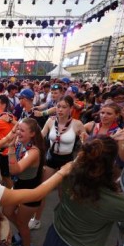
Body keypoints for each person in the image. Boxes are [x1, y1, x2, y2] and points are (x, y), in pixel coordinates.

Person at [29, 96, 86, 230]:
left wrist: (81, 155)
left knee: (63, 194)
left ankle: (64, 221)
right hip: (51, 159)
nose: (60, 109)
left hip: (67, 161)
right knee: (42, 191)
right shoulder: (50, 121)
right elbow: (41, 136)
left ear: (71, 109)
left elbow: (85, 144)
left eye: (64, 107)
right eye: (58, 106)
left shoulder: (77, 124)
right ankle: (36, 219)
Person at [3, 118, 45, 246]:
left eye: (22, 130)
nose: (18, 132)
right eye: (18, 129)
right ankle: (22, 230)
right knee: (7, 211)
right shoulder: (20, 143)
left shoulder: (33, 151)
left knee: (21, 222)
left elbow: (15, 170)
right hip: (19, 187)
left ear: (32, 134)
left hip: (30, 193)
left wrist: (10, 147)